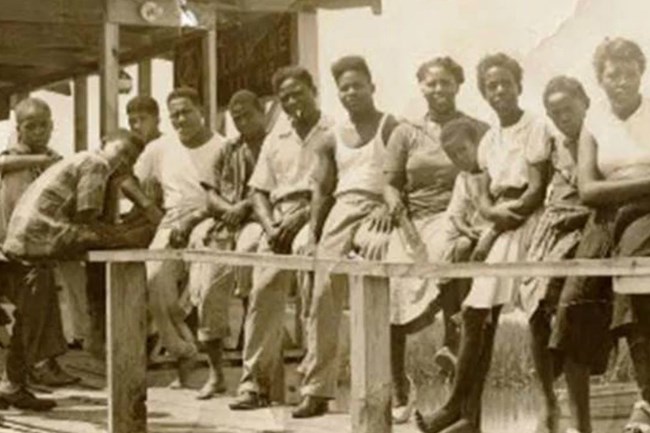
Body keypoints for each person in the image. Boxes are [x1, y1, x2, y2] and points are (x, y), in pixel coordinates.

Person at [415, 53, 550, 433]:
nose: (500, 91)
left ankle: (548, 412)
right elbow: (485, 197)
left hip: (528, 220)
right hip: (502, 226)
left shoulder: (535, 127)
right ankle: (463, 412)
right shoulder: (490, 138)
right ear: (484, 93)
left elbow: (536, 189)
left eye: (506, 82)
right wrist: (492, 219)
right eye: (492, 86)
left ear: (518, 85)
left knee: (538, 315)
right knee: (477, 315)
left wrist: (501, 220)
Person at [1, 128, 145, 410]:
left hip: (28, 241)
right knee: (138, 234)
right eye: (122, 151)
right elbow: (87, 218)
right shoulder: (97, 163)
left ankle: (13, 384)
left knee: (31, 315)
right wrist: (126, 229)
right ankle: (96, 336)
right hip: (42, 238)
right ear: (104, 144)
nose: (125, 161)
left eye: (131, 159)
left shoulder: (86, 162)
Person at [379, 57, 487, 424]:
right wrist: (396, 209)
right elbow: (391, 184)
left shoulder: (475, 128)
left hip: (455, 214)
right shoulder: (405, 132)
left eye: (446, 83)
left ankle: (450, 343)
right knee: (392, 284)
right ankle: (397, 386)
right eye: (431, 83)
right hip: (412, 219)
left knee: (450, 251)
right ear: (420, 87)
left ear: (458, 85)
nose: (438, 90)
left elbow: (488, 174)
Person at [293, 55, 399, 418]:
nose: (351, 92)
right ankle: (316, 389)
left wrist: (389, 207)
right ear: (337, 94)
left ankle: (385, 392)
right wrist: (313, 234)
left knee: (377, 290)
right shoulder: (330, 137)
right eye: (344, 87)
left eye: (358, 85)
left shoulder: (391, 126)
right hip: (342, 207)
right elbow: (321, 192)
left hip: (381, 210)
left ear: (372, 86)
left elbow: (402, 177)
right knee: (323, 292)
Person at [229, 66, 332, 411]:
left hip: (318, 212)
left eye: (298, 93)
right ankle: (254, 384)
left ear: (313, 90)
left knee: (313, 289)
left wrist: (303, 218)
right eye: (285, 97)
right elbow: (259, 190)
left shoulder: (333, 130)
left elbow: (332, 187)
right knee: (263, 290)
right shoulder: (277, 136)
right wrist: (271, 225)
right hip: (277, 216)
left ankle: (314, 387)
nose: (292, 102)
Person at [575, 37, 650, 433]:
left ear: (642, 72)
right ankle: (572, 419)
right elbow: (588, 190)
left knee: (636, 280)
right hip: (609, 218)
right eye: (611, 75)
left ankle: (646, 401)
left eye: (628, 72)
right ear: (599, 80)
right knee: (573, 298)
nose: (620, 81)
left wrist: (622, 185)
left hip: (645, 216)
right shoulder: (595, 120)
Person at [521, 76, 599, 433]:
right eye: (554, 112)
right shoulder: (553, 145)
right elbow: (536, 190)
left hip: (590, 226)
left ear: (585, 102)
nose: (562, 116)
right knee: (537, 305)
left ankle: (581, 422)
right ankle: (547, 401)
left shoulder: (600, 136)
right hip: (554, 227)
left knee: (570, 315)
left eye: (568, 108)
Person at [136, 87, 225, 387]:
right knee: (153, 278)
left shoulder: (224, 146)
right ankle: (182, 350)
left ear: (201, 110)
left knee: (200, 287)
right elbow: (127, 179)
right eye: (174, 115)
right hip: (171, 219)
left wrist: (198, 220)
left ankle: (198, 370)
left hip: (211, 219)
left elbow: (227, 199)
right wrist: (149, 209)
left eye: (186, 111)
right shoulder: (160, 147)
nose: (181, 119)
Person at [181, 89, 267, 400]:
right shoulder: (228, 149)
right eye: (237, 117)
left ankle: (252, 376)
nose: (243, 122)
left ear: (262, 111)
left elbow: (272, 191)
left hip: (259, 222)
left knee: (252, 282)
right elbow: (210, 193)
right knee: (208, 290)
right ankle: (216, 374)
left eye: (248, 115)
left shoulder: (273, 146)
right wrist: (228, 209)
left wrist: (244, 207)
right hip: (225, 223)